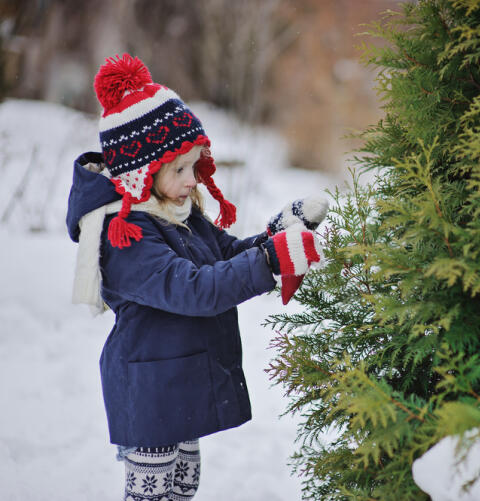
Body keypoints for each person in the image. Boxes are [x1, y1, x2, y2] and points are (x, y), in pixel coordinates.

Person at [65, 54, 328, 501]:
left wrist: (275, 237)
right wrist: (269, 261)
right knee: (152, 493)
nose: (192, 181)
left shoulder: (176, 213)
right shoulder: (124, 233)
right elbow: (194, 288)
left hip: (179, 380)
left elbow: (224, 256)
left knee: (184, 487)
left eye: (195, 166)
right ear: (142, 173)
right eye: (180, 169)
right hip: (149, 390)